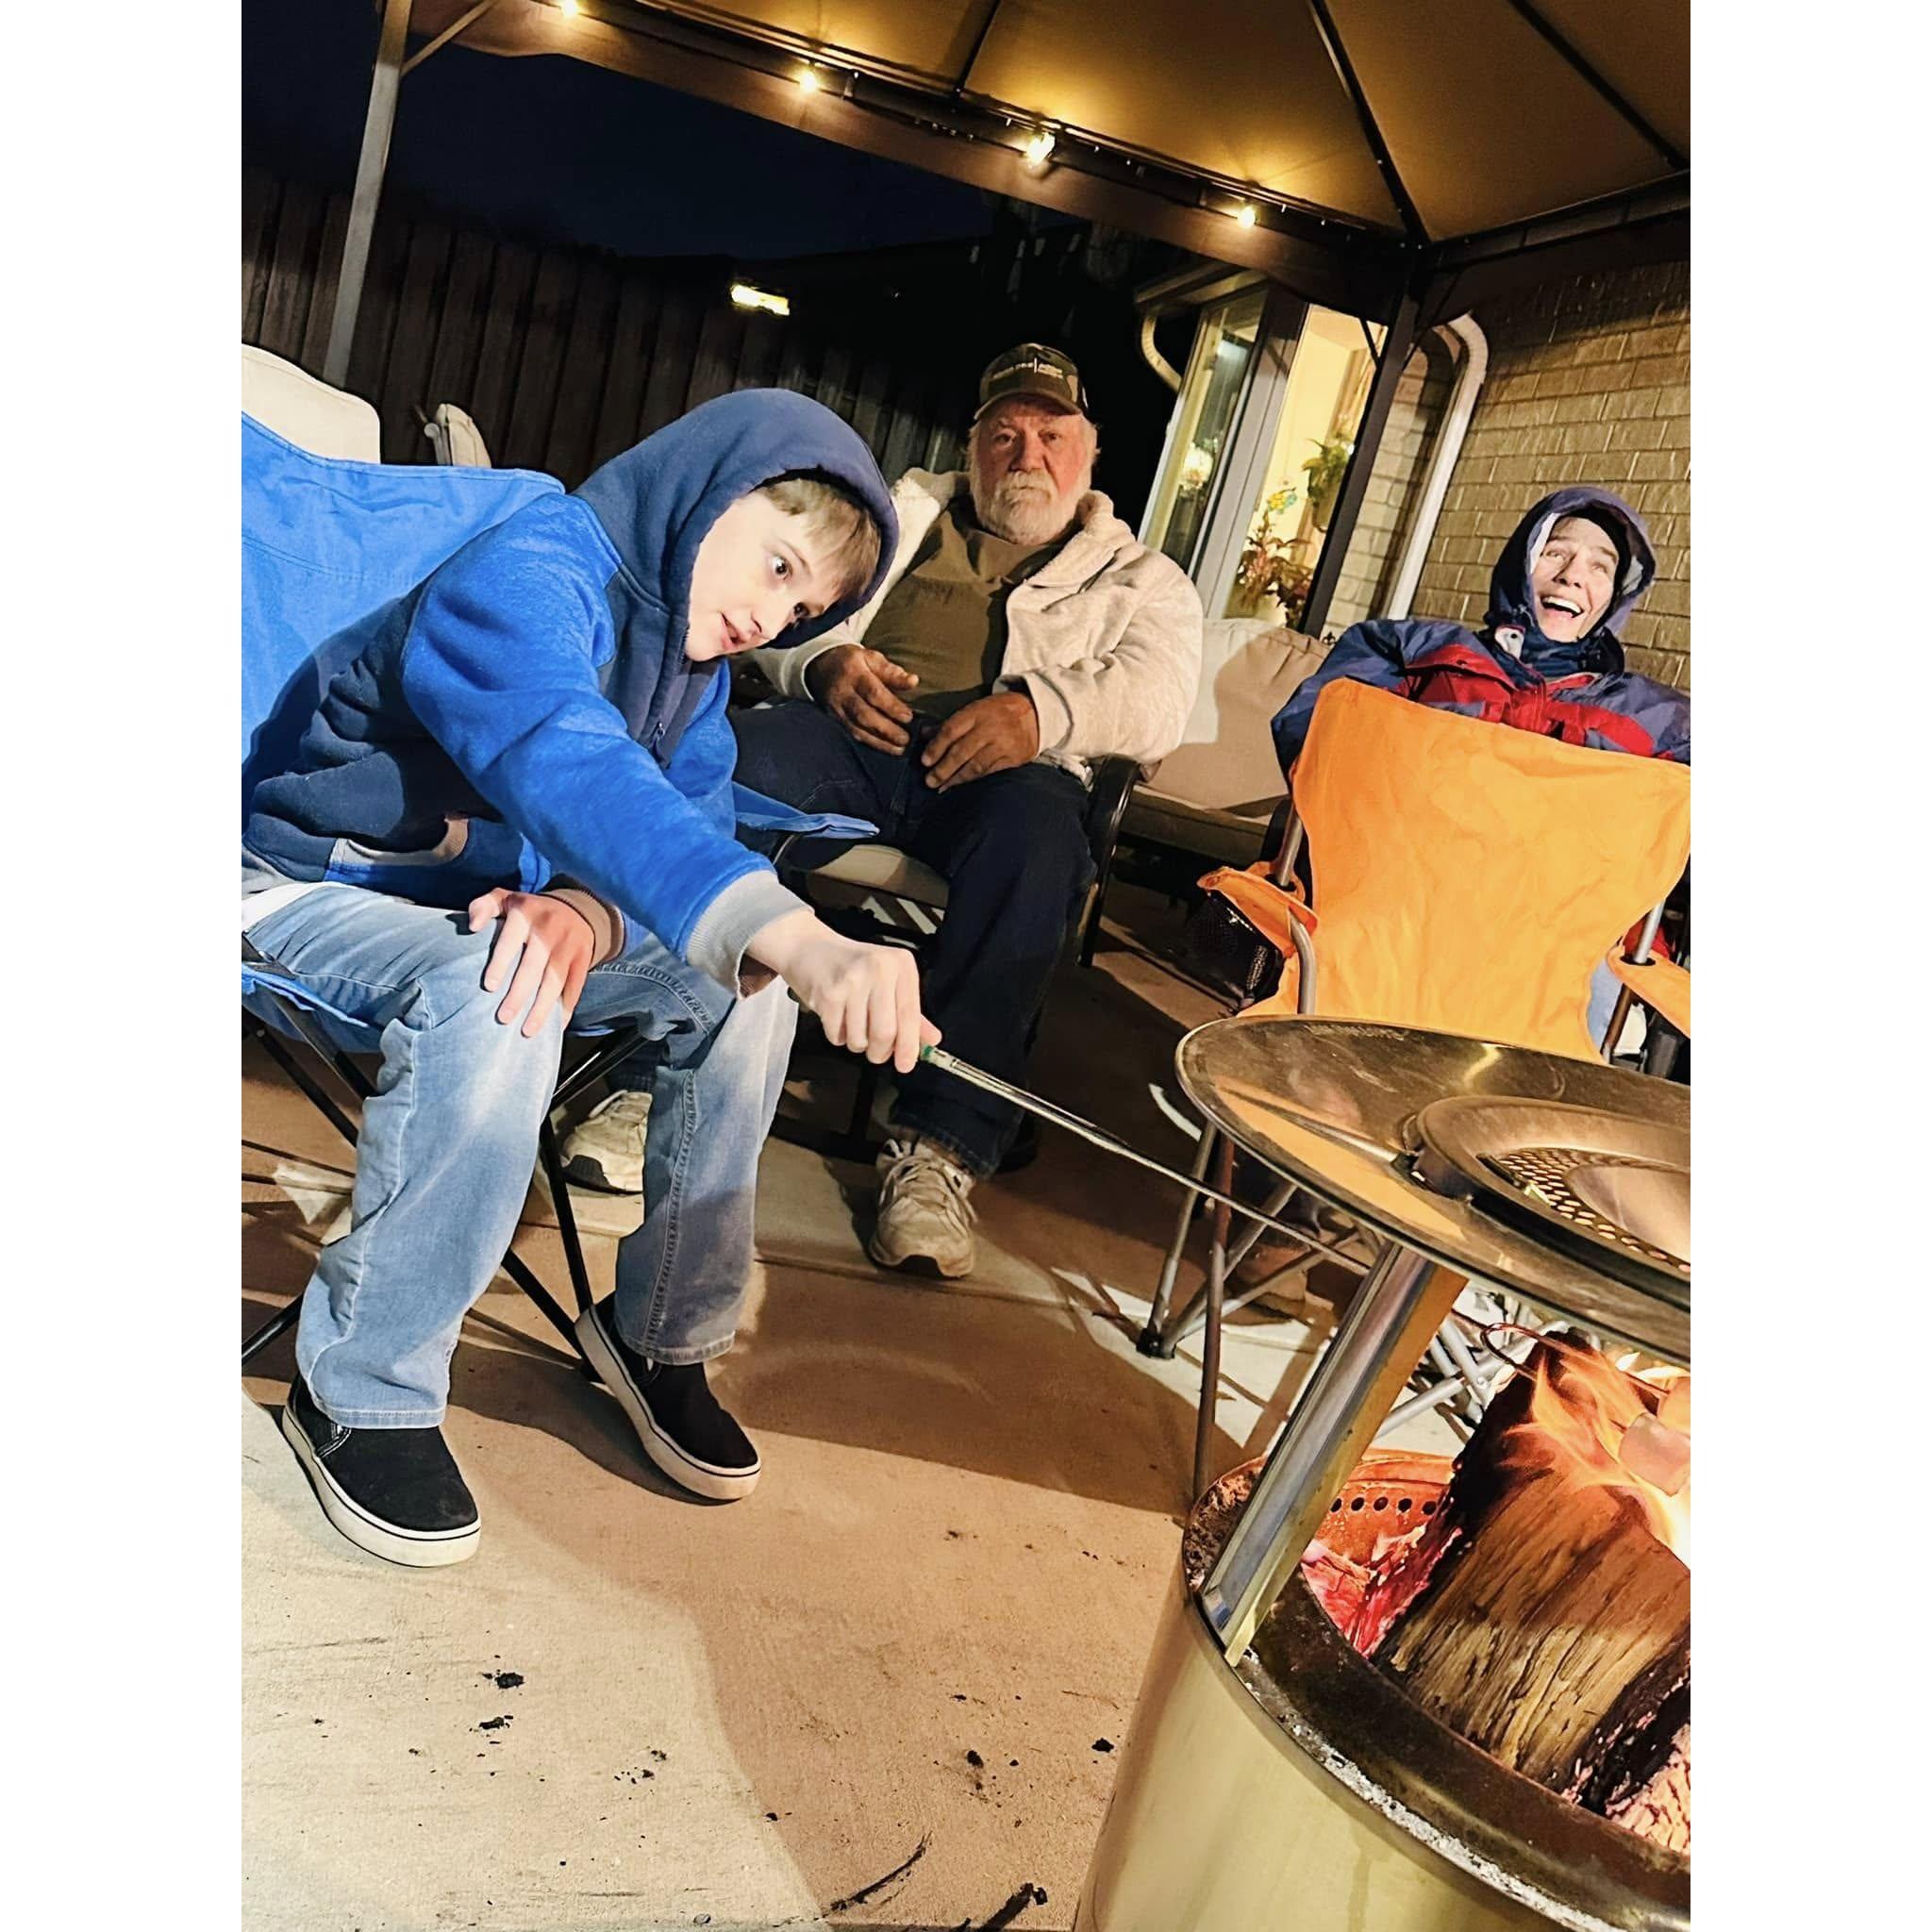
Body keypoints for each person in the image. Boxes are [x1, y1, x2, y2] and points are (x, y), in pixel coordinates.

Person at [243, 390, 936, 1567]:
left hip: (468, 896)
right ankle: (362, 1385)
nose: (767, 616)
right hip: (299, 883)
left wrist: (589, 908)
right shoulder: (530, 566)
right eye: (775, 564)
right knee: (502, 986)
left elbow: (687, 816)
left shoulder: (693, 671)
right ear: (707, 490)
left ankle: (660, 1330)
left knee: (738, 987)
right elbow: (559, 749)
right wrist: (804, 936)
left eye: (799, 607)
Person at [562, 344, 1204, 1278]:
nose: (1026, 455)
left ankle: (941, 1149)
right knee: (722, 770)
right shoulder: (896, 513)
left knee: (1037, 851)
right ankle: (651, 1067)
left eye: (1050, 435)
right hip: (853, 736)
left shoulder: (1143, 579)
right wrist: (818, 663)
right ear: (972, 447)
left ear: (1090, 451)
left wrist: (1039, 713)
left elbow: (1159, 701)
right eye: (1004, 434)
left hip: (1013, 772)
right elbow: (776, 600)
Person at [1241, 484, 1690, 1290]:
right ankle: (1293, 1209)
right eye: (1557, 551)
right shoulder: (1413, 651)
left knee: (1594, 1000)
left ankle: (1477, 1253)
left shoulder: (1659, 719)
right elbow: (1323, 749)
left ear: (1618, 594)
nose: (1573, 575)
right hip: (1403, 911)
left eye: (1600, 565)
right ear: (1523, 560)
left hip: (1543, 950)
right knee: (1337, 961)